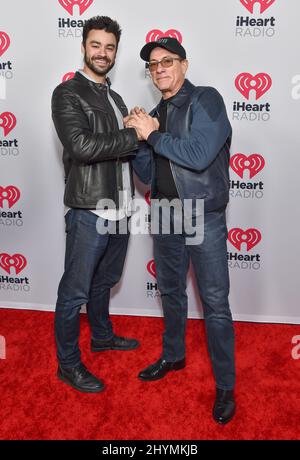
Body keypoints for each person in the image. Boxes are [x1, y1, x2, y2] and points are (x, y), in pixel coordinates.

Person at [126, 37, 236, 424]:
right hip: (166, 214)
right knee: (171, 291)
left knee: (215, 303)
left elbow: (199, 155)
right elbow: (145, 175)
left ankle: (225, 386)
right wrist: (137, 140)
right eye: (153, 65)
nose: (159, 69)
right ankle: (173, 355)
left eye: (167, 61)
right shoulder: (155, 112)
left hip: (203, 214)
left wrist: (152, 134)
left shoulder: (206, 99)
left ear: (184, 65)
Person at [51, 16, 140, 393]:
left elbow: (126, 149)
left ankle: (101, 336)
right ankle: (68, 365)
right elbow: (82, 148)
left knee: (106, 280)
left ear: (116, 51)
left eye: (110, 47)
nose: (103, 53)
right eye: (96, 45)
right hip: (90, 209)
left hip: (121, 208)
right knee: (75, 292)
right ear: (84, 46)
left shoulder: (115, 97)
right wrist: (132, 134)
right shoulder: (68, 92)